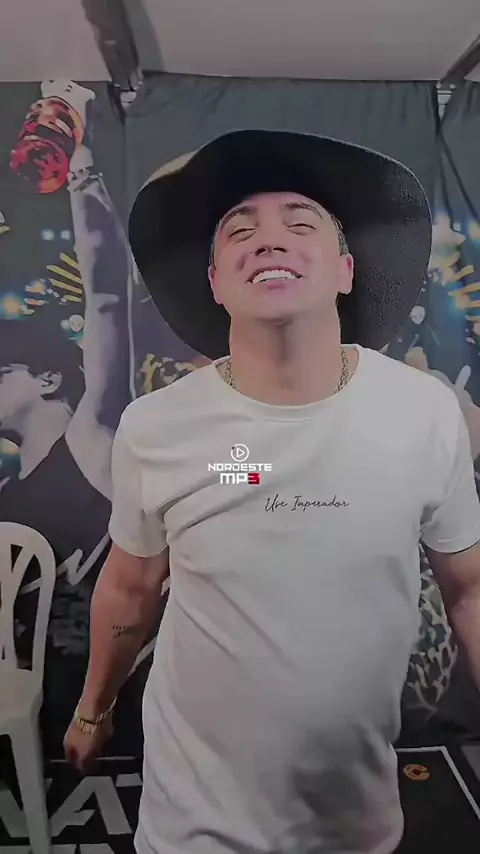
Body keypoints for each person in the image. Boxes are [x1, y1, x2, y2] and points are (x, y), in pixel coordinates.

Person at [64, 130, 480, 854]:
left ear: (346, 270)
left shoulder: (425, 412)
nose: (268, 238)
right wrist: (93, 710)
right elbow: (131, 587)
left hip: (355, 820)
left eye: (300, 222)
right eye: (239, 230)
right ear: (215, 282)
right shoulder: (156, 427)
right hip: (194, 821)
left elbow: (468, 588)